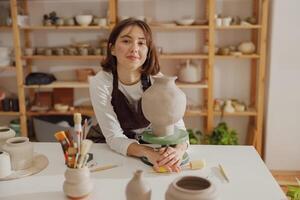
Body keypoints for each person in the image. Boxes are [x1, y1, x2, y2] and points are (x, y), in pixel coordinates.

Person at [89, 18, 188, 172]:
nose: (134, 48)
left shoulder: (157, 81)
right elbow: (114, 137)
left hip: (146, 144)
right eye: (126, 41)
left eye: (141, 43)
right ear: (112, 48)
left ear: (148, 51)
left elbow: (179, 127)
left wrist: (178, 151)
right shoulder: (101, 82)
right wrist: (147, 153)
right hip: (109, 146)